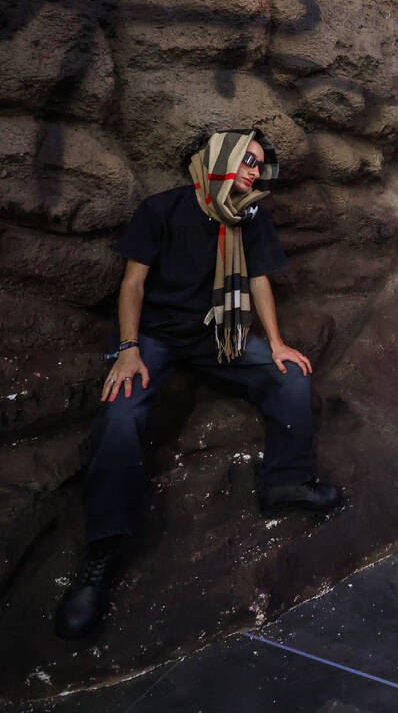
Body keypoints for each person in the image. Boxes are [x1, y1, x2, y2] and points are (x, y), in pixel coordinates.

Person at [54, 129, 341, 640]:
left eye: (259, 164)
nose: (255, 172)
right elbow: (133, 284)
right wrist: (128, 349)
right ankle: (102, 553)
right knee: (120, 415)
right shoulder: (161, 210)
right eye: (247, 162)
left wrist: (275, 343)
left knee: (290, 376)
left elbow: (258, 280)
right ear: (220, 161)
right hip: (157, 337)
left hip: (220, 335)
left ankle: (285, 482)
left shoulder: (248, 216)